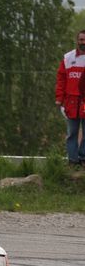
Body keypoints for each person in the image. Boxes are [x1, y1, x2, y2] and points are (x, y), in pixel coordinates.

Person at [55, 29, 85, 167]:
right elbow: (61, 80)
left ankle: (83, 157)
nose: (83, 42)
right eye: (81, 39)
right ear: (77, 41)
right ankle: (73, 160)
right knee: (72, 132)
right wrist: (59, 100)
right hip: (71, 102)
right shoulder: (68, 58)